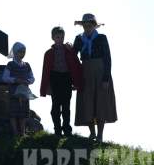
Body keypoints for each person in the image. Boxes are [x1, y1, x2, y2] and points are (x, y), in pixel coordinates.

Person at [73, 13, 117, 144]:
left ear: (94, 25)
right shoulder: (78, 39)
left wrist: (106, 78)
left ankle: (100, 135)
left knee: (101, 103)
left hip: (100, 72)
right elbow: (73, 57)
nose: (87, 27)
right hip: (85, 73)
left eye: (90, 25)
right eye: (85, 25)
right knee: (87, 102)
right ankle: (92, 133)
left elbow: (107, 58)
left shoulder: (102, 38)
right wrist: (75, 78)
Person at [39, 26, 82, 137]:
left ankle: (67, 129)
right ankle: (57, 129)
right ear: (53, 38)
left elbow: (75, 65)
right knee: (55, 106)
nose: (60, 39)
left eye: (62, 37)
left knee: (66, 106)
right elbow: (45, 71)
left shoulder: (69, 50)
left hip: (66, 79)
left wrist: (76, 82)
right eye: (57, 37)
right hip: (55, 79)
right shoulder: (48, 53)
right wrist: (46, 87)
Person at [3, 41, 35, 137]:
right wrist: (15, 80)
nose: (22, 54)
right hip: (14, 92)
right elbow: (5, 77)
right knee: (13, 112)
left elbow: (32, 78)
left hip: (24, 93)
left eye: (24, 52)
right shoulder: (10, 65)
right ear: (15, 52)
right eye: (20, 52)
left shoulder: (27, 65)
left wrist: (27, 81)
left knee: (23, 113)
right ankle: (15, 132)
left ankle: (22, 132)